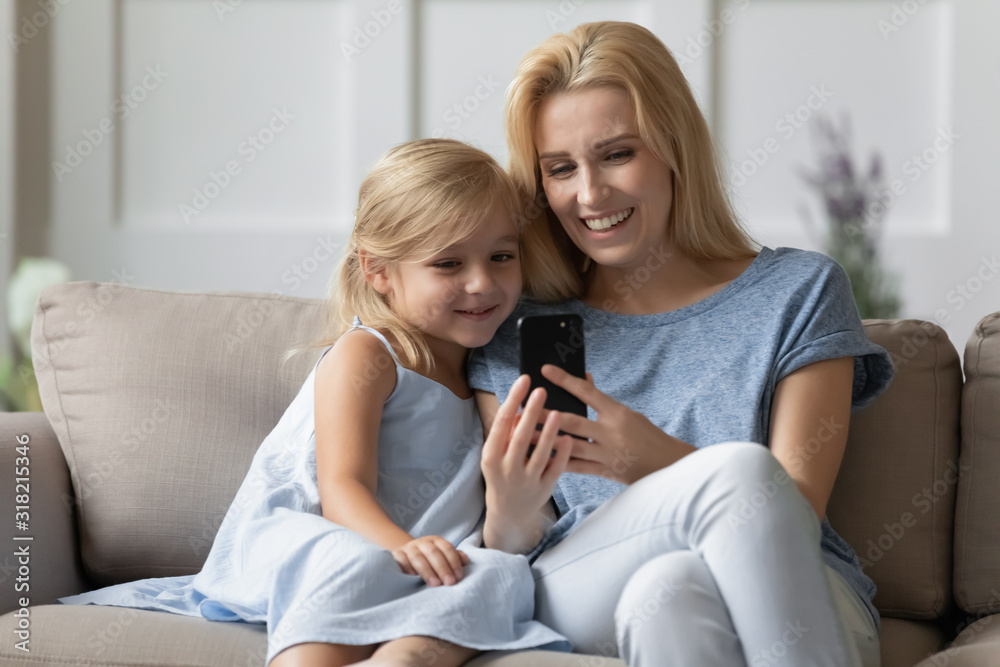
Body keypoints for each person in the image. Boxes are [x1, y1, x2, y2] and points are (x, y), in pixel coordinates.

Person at [468, 21, 895, 667]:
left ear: (673, 147)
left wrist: (649, 457)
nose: (589, 194)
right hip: (581, 584)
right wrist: (507, 509)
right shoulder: (510, 327)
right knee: (737, 477)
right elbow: (509, 552)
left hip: (802, 589)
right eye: (560, 169)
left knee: (668, 590)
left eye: (616, 154)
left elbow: (791, 517)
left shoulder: (799, 290)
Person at [57, 138, 573, 667]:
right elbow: (341, 489)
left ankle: (406, 656)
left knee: (500, 574)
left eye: (502, 256)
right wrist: (400, 547)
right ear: (378, 272)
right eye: (447, 264)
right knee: (355, 562)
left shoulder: (491, 367)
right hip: (328, 536)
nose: (482, 282)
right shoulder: (368, 355)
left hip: (415, 555)